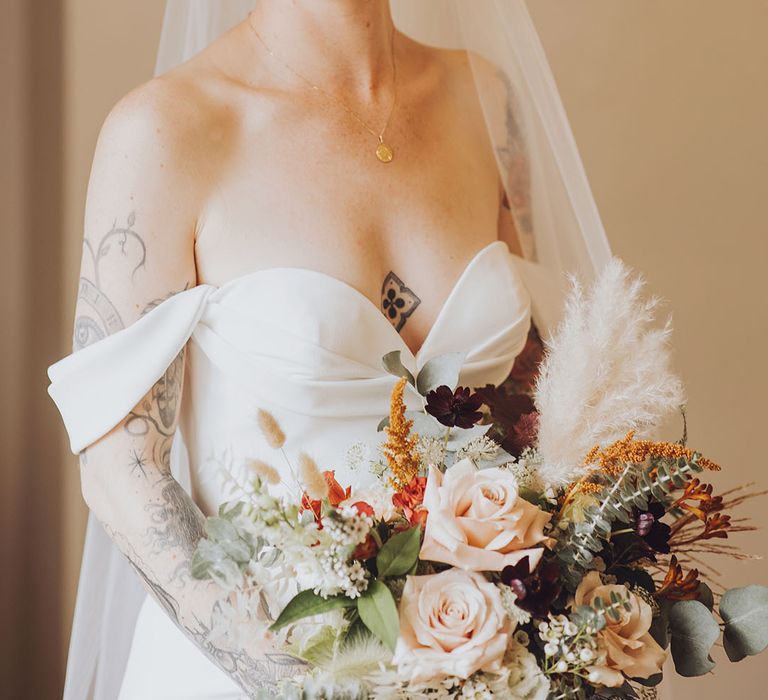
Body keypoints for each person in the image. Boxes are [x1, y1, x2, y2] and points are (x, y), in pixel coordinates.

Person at [49, 2, 612, 698]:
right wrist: (306, 685)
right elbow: (121, 472)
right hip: (250, 669)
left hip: (477, 664)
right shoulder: (165, 130)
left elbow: (531, 393)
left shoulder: (484, 98)